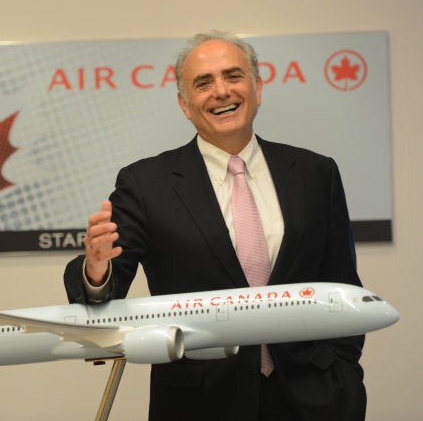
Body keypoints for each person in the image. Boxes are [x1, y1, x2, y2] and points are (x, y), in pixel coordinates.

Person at [63, 30, 366, 421]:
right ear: (184, 105)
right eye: (203, 83)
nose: (221, 91)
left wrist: (341, 370)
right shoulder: (147, 184)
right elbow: (102, 291)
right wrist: (97, 269)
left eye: (233, 76)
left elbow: (341, 283)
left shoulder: (315, 173)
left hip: (315, 399)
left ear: (257, 87)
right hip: (200, 402)